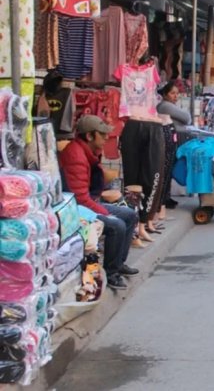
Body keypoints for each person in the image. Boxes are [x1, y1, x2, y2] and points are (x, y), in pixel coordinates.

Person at [59, 115, 140, 290]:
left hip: (86, 203)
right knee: (116, 225)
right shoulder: (76, 156)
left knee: (130, 215)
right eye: (102, 135)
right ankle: (111, 273)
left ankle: (118, 264)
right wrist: (105, 214)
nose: (105, 139)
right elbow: (80, 199)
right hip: (77, 209)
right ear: (89, 136)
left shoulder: (87, 152)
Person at [156, 81, 191, 211]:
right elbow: (187, 118)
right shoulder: (165, 106)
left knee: (169, 170)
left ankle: (166, 197)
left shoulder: (168, 106)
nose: (175, 96)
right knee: (167, 170)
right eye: (172, 93)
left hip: (172, 140)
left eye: (177, 93)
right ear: (165, 94)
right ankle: (163, 199)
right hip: (168, 141)